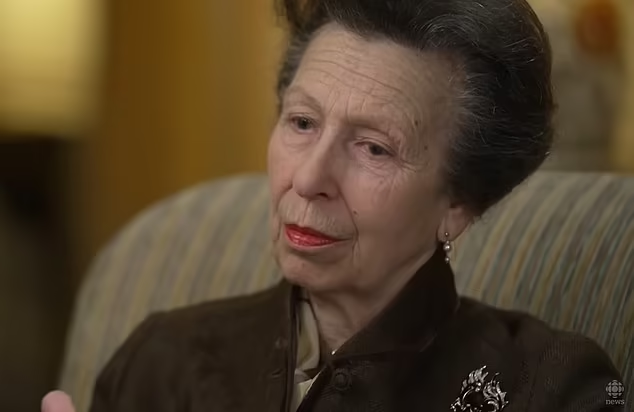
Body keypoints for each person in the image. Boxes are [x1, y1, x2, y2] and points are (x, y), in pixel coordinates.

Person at [42, 0, 625, 411]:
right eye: (302, 122)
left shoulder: (550, 387)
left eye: (374, 148)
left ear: (460, 202)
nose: (309, 178)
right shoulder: (162, 364)